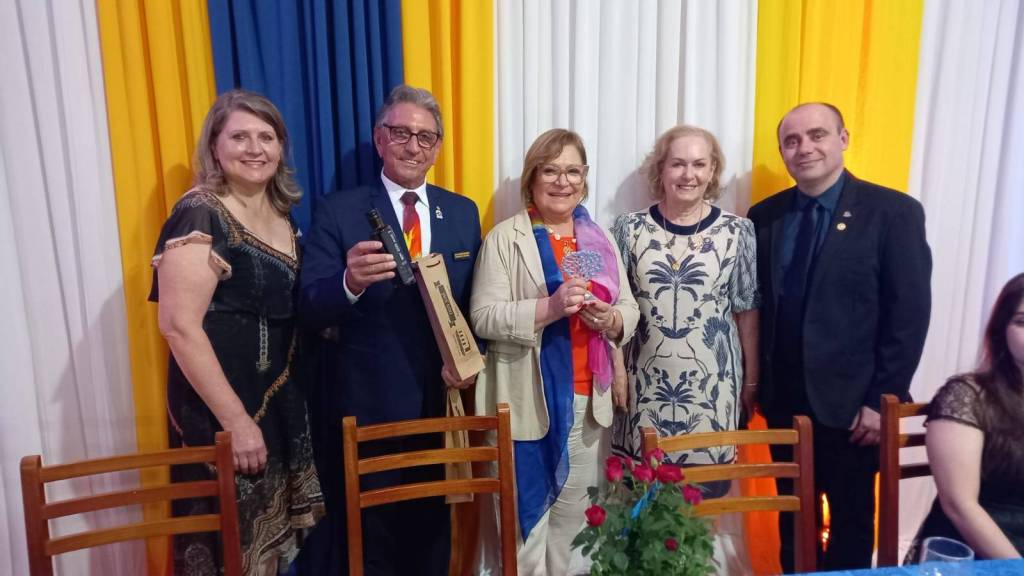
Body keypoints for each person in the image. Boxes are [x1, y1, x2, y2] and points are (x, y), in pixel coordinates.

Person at [298, 84, 481, 576]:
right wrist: (349, 282)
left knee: (434, 544)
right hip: (368, 410)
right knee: (373, 547)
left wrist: (469, 358)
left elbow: (473, 305)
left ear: (437, 147)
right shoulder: (339, 210)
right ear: (379, 139)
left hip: (441, 405)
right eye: (401, 133)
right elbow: (310, 308)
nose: (413, 146)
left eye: (425, 137)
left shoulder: (462, 212)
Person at [747, 102, 932, 571]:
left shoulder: (893, 212)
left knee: (851, 524)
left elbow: (908, 315)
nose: (804, 148)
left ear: (843, 139)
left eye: (817, 135)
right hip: (784, 403)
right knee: (792, 521)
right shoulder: (763, 217)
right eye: (791, 141)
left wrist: (881, 398)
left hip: (853, 409)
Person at [150, 89, 324, 575]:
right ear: (215, 146)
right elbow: (178, 326)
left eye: (266, 137)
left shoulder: (282, 215)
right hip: (222, 412)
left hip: (278, 402)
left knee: (266, 554)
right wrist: (237, 423)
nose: (255, 148)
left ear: (281, 148)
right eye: (239, 137)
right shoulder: (200, 213)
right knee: (225, 549)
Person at [471, 128, 638, 575]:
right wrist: (548, 308)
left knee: (572, 535)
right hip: (526, 405)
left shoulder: (598, 239)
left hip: (588, 405)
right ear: (532, 178)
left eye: (573, 171)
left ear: (584, 178)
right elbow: (483, 317)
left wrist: (611, 318)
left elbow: (629, 307)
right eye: (550, 171)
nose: (563, 182)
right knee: (524, 537)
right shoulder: (505, 238)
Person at [609, 125, 759, 574]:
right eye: (678, 163)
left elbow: (747, 310)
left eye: (699, 164)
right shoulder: (628, 229)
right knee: (642, 504)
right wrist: (615, 372)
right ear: (661, 169)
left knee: (699, 512)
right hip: (643, 390)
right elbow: (615, 307)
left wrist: (751, 381)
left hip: (711, 393)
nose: (688, 174)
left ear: (713, 171)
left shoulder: (738, 231)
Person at [906, 273, 1024, 560]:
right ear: (1001, 330)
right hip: (970, 553)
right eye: (1022, 322)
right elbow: (960, 505)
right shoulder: (966, 395)